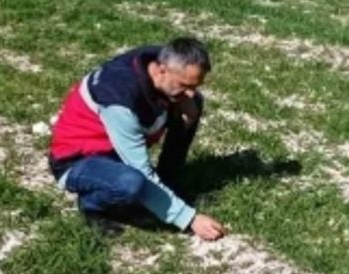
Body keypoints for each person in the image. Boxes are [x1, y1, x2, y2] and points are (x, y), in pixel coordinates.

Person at [47, 37, 226, 241]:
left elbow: (186, 97)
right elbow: (141, 170)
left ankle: (169, 182)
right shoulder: (119, 98)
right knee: (131, 183)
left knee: (192, 105)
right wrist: (190, 219)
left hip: (116, 150)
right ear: (161, 71)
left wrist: (189, 110)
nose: (190, 92)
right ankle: (91, 205)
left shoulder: (161, 63)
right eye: (184, 85)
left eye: (195, 85)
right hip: (78, 160)